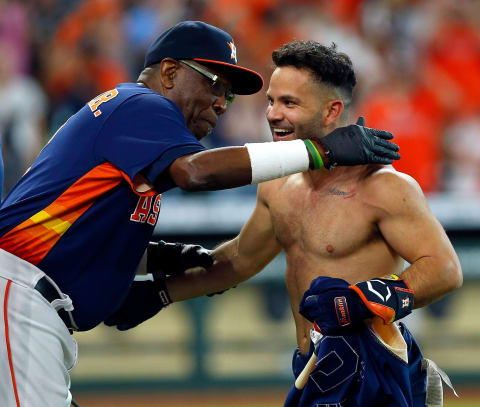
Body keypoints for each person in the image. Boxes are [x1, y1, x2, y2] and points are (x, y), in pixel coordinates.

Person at [0, 22, 400, 407]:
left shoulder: (133, 123)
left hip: (30, 303)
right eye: (215, 84)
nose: (223, 104)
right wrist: (319, 152)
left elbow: (77, 226)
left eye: (229, 94)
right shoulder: (142, 104)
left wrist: (157, 258)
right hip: (21, 297)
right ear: (170, 72)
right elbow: (195, 173)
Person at [108, 40, 462, 406]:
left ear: (331, 112)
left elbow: (445, 269)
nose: (273, 114)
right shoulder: (277, 183)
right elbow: (239, 261)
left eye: (289, 103)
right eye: (271, 101)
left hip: (370, 378)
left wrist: (360, 301)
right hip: (313, 370)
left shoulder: (386, 186)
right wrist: (161, 292)